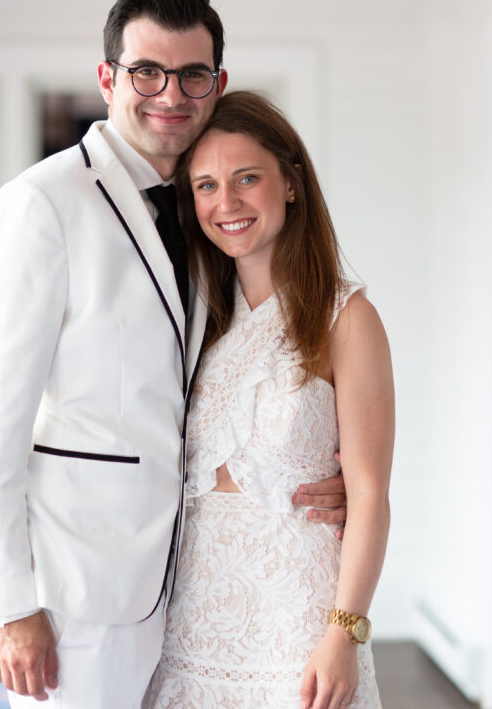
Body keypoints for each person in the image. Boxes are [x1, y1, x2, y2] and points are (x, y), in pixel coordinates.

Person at [0, 0, 348, 709]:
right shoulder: (41, 205)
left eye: (193, 75)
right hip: (75, 592)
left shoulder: (204, 215)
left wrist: (316, 466)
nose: (171, 93)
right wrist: (6, 604)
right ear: (108, 78)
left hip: (188, 586)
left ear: (217, 82)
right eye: (146, 72)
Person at [146, 90, 395, 709]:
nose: (224, 203)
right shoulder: (196, 320)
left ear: (290, 183)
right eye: (205, 185)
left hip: (298, 621)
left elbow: (368, 496)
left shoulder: (347, 317)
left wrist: (345, 632)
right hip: (191, 620)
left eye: (246, 179)